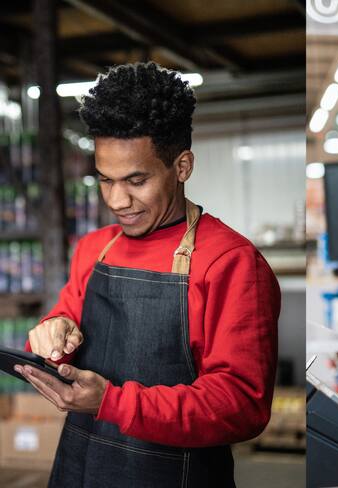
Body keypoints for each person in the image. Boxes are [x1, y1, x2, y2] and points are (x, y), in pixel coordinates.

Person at [15, 62, 280, 487]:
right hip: (79, 466)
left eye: (136, 180)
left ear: (182, 166)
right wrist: (53, 334)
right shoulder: (94, 248)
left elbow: (240, 405)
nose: (118, 200)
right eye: (105, 180)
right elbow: (61, 326)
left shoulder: (231, 262)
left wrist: (113, 402)